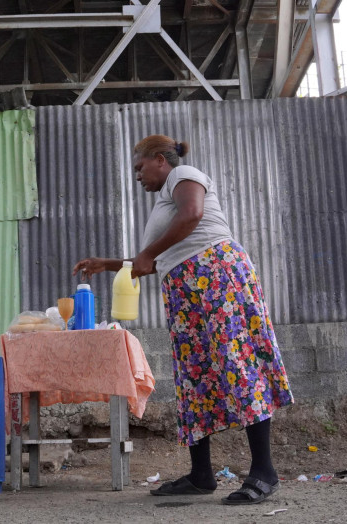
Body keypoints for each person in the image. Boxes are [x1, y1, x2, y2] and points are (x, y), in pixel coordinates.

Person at [72, 134, 294, 505]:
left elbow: (193, 215)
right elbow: (155, 259)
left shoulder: (184, 174)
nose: (138, 176)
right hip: (185, 287)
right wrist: (106, 263)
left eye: (140, 168)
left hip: (217, 276)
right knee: (194, 377)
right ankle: (201, 475)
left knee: (238, 365)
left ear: (161, 160)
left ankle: (264, 472)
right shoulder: (163, 204)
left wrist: (147, 254)